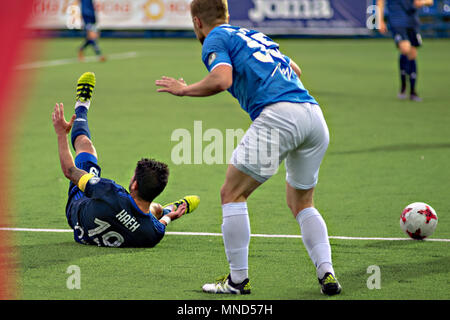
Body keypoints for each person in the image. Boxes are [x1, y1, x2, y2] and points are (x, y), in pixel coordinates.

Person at [155, 0, 340, 295]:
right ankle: (327, 272)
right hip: (314, 117)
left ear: (197, 23)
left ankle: (238, 281)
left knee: (232, 194)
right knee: (302, 203)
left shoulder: (215, 38)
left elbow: (222, 79)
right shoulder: (255, 35)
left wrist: (184, 90)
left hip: (279, 116)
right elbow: (296, 69)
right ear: (227, 15)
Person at [52, 71, 200, 247]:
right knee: (156, 210)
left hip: (76, 211)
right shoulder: (153, 235)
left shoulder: (109, 191)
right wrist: (168, 215)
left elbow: (70, 171)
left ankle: (82, 104)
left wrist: (61, 134)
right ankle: (173, 207)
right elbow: (161, 224)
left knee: (85, 145)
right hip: (131, 220)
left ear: (135, 184)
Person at [377, 0, 434, 101]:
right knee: (405, 48)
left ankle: (412, 91)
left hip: (412, 21)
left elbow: (430, 2)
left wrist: (423, 2)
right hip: (397, 19)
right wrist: (380, 20)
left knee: (412, 54)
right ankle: (403, 86)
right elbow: (380, 2)